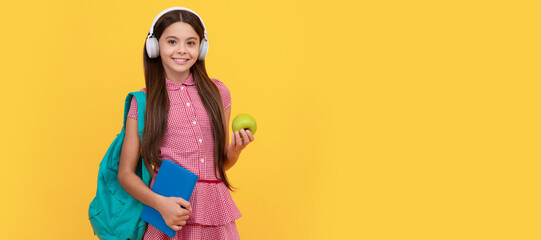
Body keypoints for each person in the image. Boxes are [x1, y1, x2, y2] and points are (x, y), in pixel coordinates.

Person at [117, 7, 254, 240]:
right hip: (169, 210)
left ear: (201, 48)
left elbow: (218, 165)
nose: (182, 50)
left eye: (190, 43)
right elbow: (125, 174)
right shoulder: (143, 102)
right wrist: (160, 204)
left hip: (215, 210)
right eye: (172, 41)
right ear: (154, 47)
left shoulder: (219, 93)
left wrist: (235, 151)